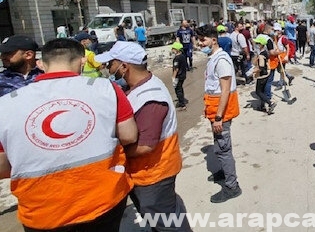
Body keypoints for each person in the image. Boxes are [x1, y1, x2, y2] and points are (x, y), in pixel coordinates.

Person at [0, 38, 138, 231]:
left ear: (41, 63)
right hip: (103, 200)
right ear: (82, 61)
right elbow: (129, 135)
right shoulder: (107, 89)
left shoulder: (5, 105)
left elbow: (2, 167)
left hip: (43, 212)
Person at [95, 41, 189, 231]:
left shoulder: (150, 98)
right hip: (146, 172)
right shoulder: (140, 85)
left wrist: (113, 157)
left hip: (154, 174)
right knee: (162, 217)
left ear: (124, 66)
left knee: (166, 224)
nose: (107, 68)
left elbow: (146, 146)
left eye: (110, 63)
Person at [195, 24, 242, 203]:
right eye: (199, 40)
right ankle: (224, 171)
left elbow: (224, 90)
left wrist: (218, 117)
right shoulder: (214, 57)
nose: (200, 43)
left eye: (203, 40)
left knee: (223, 148)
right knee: (220, 146)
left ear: (213, 40)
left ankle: (232, 186)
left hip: (222, 113)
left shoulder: (221, 60)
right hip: (215, 110)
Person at [252, 34, 276, 114]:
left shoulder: (262, 55)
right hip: (266, 73)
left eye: (257, 43)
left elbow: (261, 67)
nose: (256, 45)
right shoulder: (265, 52)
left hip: (262, 75)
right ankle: (262, 106)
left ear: (261, 44)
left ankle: (270, 102)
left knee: (258, 91)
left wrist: (253, 71)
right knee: (262, 90)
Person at [171, 42, 189, 110]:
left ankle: (182, 104)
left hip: (178, 76)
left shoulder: (177, 58)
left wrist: (173, 78)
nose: (172, 50)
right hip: (183, 75)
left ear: (176, 49)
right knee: (180, 88)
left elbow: (176, 69)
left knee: (178, 90)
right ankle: (182, 100)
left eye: (173, 49)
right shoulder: (183, 56)